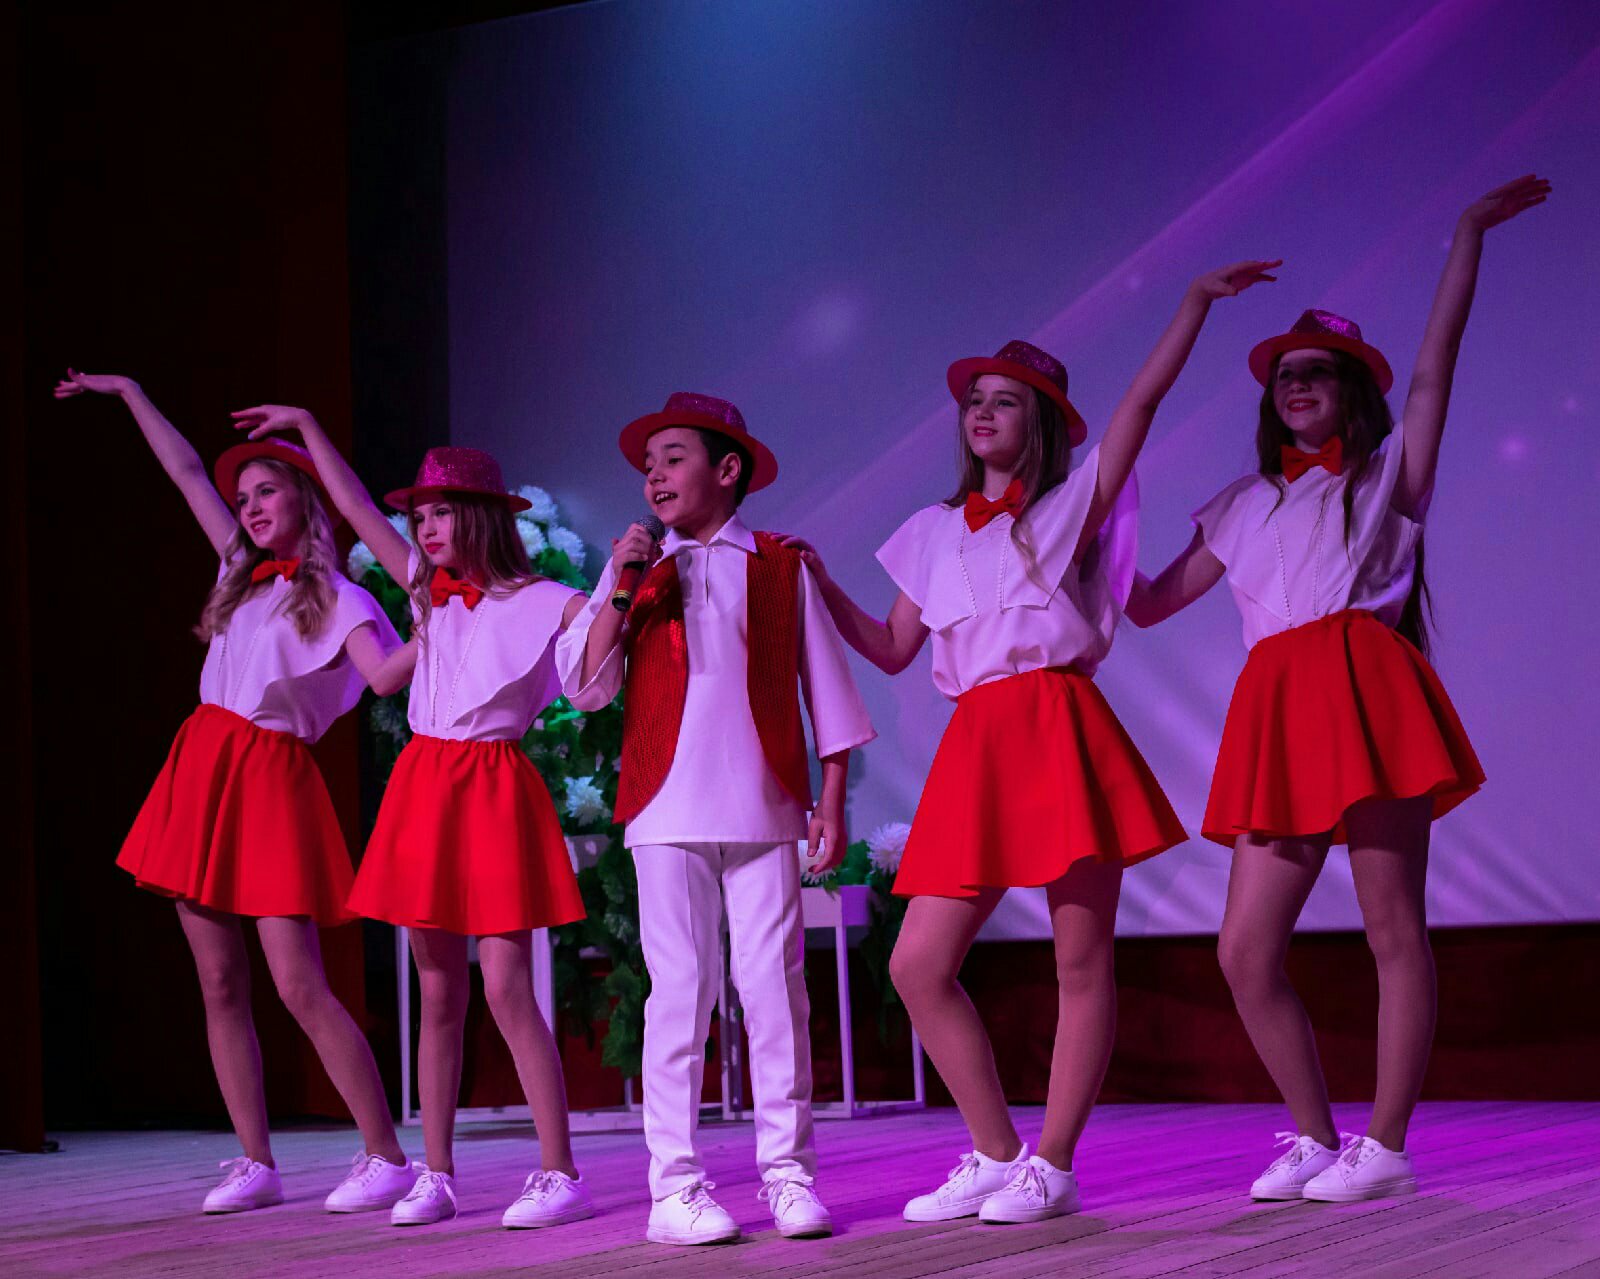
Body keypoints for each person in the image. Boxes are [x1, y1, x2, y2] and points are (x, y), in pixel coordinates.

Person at [788, 261, 1276, 1224]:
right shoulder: (932, 529)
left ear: (1042, 421)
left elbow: (1140, 403)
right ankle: (994, 1152)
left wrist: (1193, 304)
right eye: (975, 399)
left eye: (1005, 400)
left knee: (1079, 960)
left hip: (1057, 724)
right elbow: (892, 648)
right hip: (977, 739)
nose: (982, 411)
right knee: (917, 963)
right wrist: (822, 586)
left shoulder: (1070, 505)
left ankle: (1051, 1164)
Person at [1126, 176, 1548, 1202]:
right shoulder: (1241, 502)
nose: (1298, 384)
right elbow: (1146, 604)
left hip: (1366, 689)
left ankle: (1386, 1144)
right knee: (1243, 948)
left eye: (1319, 371)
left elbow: (1435, 371)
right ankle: (1317, 1138)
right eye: (1285, 375)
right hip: (1277, 708)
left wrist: (1466, 232)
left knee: (1392, 927)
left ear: (1353, 389)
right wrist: (1092, 522)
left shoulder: (1387, 478)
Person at [56, 372, 415, 1216]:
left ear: (304, 500)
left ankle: (385, 1154)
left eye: (267, 491)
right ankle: (255, 1161)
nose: (249, 507)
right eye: (244, 496)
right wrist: (130, 392)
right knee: (218, 981)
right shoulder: (238, 572)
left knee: (298, 983)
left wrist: (449, 628)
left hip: (270, 777)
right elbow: (185, 471)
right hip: (201, 766)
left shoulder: (343, 598)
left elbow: (386, 677)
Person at [233, 406, 595, 1230]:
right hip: (426, 782)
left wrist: (627, 591)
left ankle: (559, 1170)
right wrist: (308, 427)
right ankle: (435, 1171)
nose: (424, 528)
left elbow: (607, 631)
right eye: (419, 515)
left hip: (492, 782)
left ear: (481, 517)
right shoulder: (425, 591)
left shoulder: (547, 600)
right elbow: (355, 506)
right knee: (437, 991)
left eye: (440, 513)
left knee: (506, 986)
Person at [557, 392, 875, 1245]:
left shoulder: (778, 564)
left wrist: (831, 800)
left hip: (765, 801)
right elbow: (585, 687)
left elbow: (826, 689)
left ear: (727, 469)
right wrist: (622, 586)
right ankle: (676, 1187)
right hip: (664, 805)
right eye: (647, 465)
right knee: (680, 992)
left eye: (673, 458)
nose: (655, 476)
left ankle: (788, 1174)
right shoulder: (637, 569)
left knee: (774, 989)